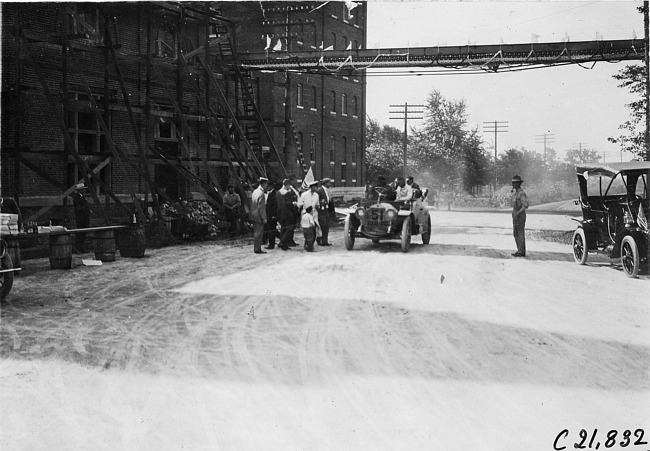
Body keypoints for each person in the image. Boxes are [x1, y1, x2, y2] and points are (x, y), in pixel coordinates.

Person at [276, 178, 298, 250]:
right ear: (287, 185)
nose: (290, 187)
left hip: (280, 213)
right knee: (289, 228)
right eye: (289, 185)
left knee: (283, 228)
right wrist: (294, 205)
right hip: (288, 213)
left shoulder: (278, 192)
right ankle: (283, 242)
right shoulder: (287, 193)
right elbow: (288, 204)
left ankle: (284, 245)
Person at [511, 175, 529, 257]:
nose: (513, 185)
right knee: (515, 233)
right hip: (515, 216)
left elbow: (525, 205)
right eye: (513, 183)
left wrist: (518, 213)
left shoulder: (521, 193)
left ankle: (521, 252)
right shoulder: (516, 193)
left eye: (515, 183)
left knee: (520, 233)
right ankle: (519, 250)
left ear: (518, 184)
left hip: (520, 216)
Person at [70, 184, 91, 252]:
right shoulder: (77, 197)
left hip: (84, 218)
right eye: (83, 189)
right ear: (80, 190)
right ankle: (78, 248)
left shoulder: (82, 197)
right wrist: (87, 210)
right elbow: (79, 208)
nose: (85, 190)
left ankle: (81, 247)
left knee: (83, 234)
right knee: (80, 234)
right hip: (80, 218)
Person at [250, 177, 268, 254]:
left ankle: (256, 248)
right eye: (266, 184)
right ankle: (257, 249)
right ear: (263, 184)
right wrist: (264, 218)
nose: (267, 185)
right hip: (259, 216)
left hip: (254, 214)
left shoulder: (255, 191)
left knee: (256, 232)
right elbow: (261, 208)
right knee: (259, 233)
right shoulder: (261, 194)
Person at [317, 178, 335, 246]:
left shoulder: (328, 191)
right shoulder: (319, 191)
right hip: (321, 211)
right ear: (325, 183)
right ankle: (320, 240)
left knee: (326, 226)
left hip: (327, 211)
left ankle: (325, 241)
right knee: (322, 225)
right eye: (329, 183)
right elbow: (317, 200)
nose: (330, 184)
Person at [263, 182, 280, 249]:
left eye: (268, 186)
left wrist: (274, 215)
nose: (267, 188)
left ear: (271, 186)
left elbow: (275, 206)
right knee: (272, 229)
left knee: (271, 230)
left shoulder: (274, 194)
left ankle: (271, 244)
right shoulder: (271, 194)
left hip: (272, 215)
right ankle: (282, 239)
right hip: (269, 215)